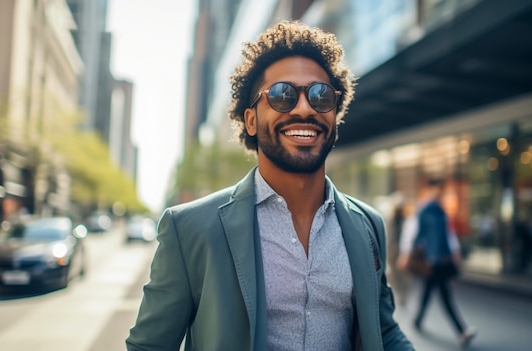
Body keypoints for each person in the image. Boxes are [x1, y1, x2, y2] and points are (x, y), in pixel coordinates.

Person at [126, 20, 415, 351]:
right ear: (251, 120)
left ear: (335, 115)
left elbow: (384, 330)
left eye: (321, 96)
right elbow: (149, 346)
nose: (305, 108)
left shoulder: (368, 225)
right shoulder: (189, 228)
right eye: (282, 95)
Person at [397, 178, 477, 349]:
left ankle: (418, 321)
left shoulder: (441, 210)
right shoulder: (424, 209)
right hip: (431, 260)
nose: (439, 192)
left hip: (441, 259)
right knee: (444, 295)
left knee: (430, 293)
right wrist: (406, 254)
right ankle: (461, 331)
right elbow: (414, 233)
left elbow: (448, 233)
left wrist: (454, 252)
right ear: (430, 189)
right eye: (437, 189)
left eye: (441, 190)